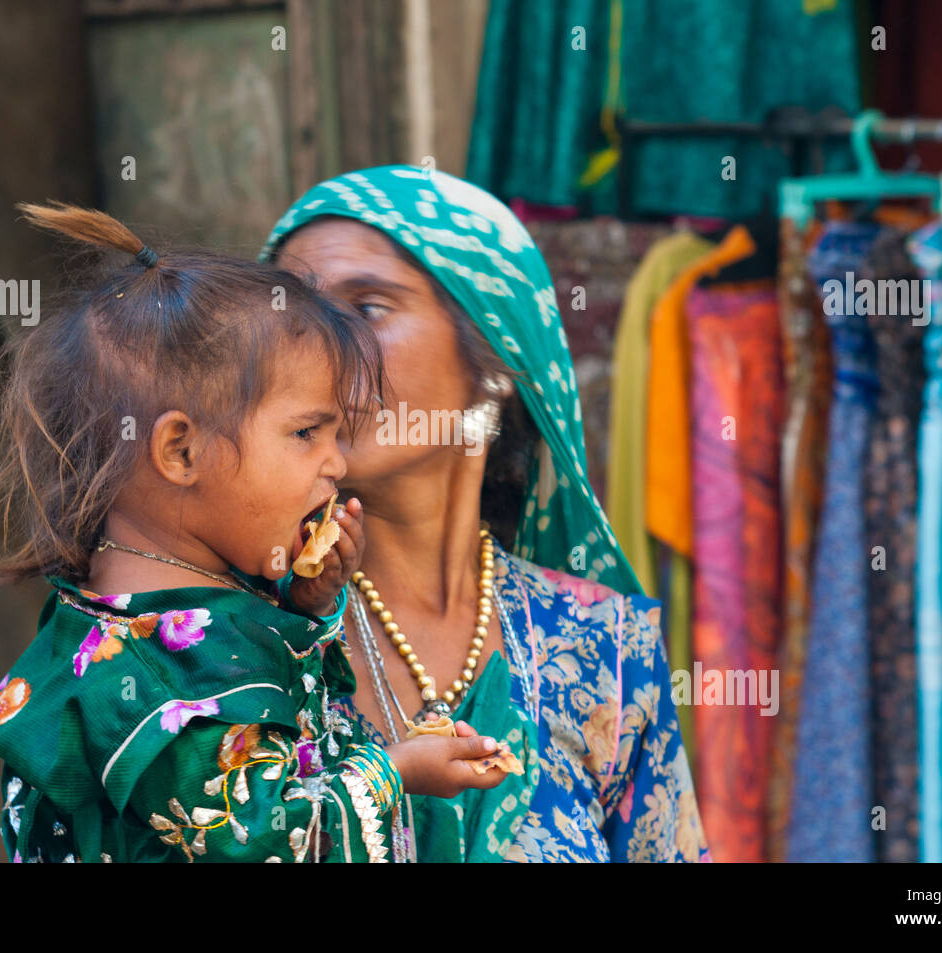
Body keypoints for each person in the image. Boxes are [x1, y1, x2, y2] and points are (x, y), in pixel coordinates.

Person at [0, 201, 509, 863]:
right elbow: (260, 835)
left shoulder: (172, 616)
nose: (336, 464)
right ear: (182, 452)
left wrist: (304, 608)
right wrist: (399, 771)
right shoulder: (140, 679)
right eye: (306, 433)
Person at [264, 167, 712, 862]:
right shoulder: (234, 632)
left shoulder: (605, 649)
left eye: (368, 306)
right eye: (290, 317)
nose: (315, 347)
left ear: (498, 356)